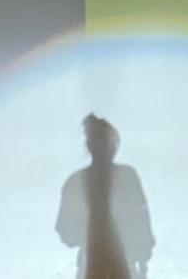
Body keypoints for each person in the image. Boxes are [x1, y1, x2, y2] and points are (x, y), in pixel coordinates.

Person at [55, 114, 155, 279]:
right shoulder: (127, 176)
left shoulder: (77, 181)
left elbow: (65, 232)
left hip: (101, 265)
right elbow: (142, 224)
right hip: (106, 264)